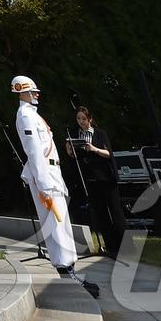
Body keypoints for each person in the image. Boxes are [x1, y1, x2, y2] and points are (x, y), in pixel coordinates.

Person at [13, 76, 98, 298]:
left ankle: (69, 269)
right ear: (21, 92)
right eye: (33, 91)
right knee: (55, 225)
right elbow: (33, 152)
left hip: (53, 174)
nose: (37, 94)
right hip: (45, 177)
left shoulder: (33, 116)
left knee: (62, 224)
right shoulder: (24, 116)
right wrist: (43, 183)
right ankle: (65, 272)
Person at [68, 107, 125, 260]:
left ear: (90, 119)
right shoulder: (76, 135)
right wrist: (70, 150)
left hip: (106, 178)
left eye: (84, 119)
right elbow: (76, 158)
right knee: (101, 214)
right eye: (78, 119)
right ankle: (111, 246)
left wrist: (93, 149)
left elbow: (108, 153)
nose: (81, 122)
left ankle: (124, 246)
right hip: (90, 179)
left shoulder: (99, 133)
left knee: (115, 211)